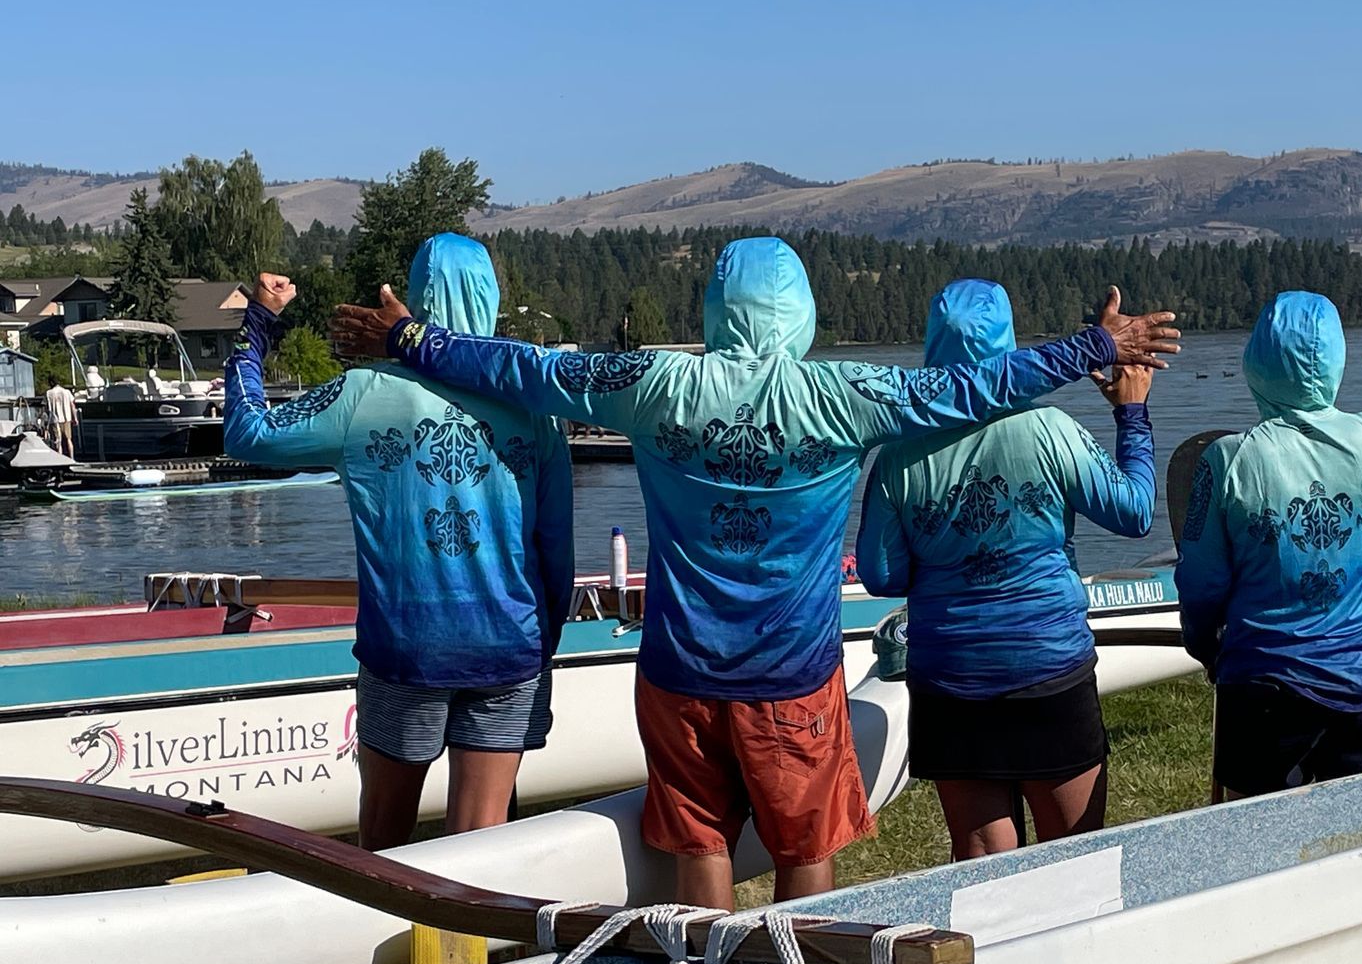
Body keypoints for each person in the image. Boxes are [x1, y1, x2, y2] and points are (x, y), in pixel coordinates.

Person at [331, 237, 1179, 905]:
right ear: (801, 312)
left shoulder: (654, 382)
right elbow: (966, 390)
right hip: (791, 684)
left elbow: (524, 370)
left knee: (701, 853)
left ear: (713, 306)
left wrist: (412, 337)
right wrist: (1090, 347)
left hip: (679, 676)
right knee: (803, 852)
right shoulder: (839, 396)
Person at [226, 234, 574, 847]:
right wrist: (540, 646)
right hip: (509, 648)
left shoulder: (364, 393)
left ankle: (383, 939)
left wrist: (258, 325)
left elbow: (247, 433)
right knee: (483, 851)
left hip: (407, 648)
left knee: (385, 846)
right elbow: (556, 545)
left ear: (414, 298)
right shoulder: (533, 403)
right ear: (489, 295)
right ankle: (475, 944)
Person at [856, 279, 1157, 859]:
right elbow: (1136, 512)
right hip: (1049, 668)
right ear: (1010, 344)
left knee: (982, 882)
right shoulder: (1050, 431)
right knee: (1075, 867)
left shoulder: (896, 455)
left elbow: (883, 576)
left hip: (950, 683)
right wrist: (1132, 414)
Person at [1175, 290, 1362, 797]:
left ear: (1256, 361)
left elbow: (1201, 581)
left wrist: (1205, 648)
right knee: (1361, 847)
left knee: (1257, 851)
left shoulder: (1227, 460)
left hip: (1263, 690)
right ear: (1336, 360)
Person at [42, 378, 76, 458]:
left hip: (54, 419)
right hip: (66, 418)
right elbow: (72, 405)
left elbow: (45, 407)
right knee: (68, 439)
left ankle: (60, 458)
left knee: (58, 441)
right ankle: (72, 457)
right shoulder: (66, 392)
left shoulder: (48, 393)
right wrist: (75, 418)